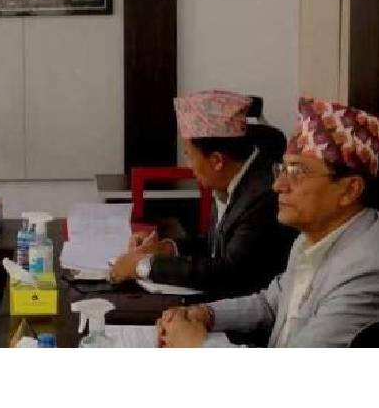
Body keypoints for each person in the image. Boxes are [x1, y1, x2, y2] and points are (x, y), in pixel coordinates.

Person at [158, 98, 379, 348]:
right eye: (282, 169)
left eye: (298, 172)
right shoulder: (314, 236)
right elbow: (270, 303)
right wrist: (206, 314)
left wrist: (199, 345)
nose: (278, 185)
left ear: (349, 190)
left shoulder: (372, 273)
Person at [108, 90, 295, 301]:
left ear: (217, 161)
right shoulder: (230, 179)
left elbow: (229, 272)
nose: (189, 166)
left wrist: (143, 266)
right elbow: (213, 246)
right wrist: (166, 249)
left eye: (189, 155)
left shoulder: (264, 195)